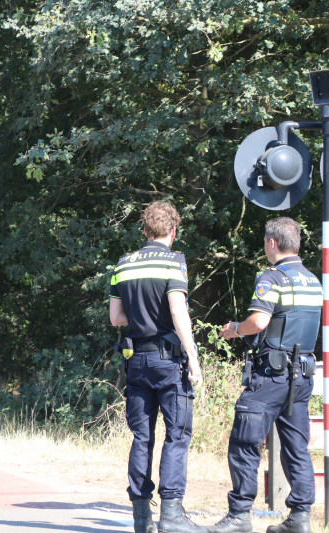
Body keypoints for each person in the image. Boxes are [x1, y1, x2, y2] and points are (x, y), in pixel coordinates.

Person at [209, 217, 322, 533]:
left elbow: (258, 322)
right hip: (301, 377)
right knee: (296, 446)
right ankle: (299, 518)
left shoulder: (272, 279)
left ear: (272, 243)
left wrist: (234, 329)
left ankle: (239, 516)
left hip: (271, 377)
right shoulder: (313, 281)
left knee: (244, 441)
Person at [110, 201, 204, 533]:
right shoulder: (174, 262)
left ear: (145, 230)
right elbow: (178, 311)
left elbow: (115, 318)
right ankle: (172, 516)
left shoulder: (123, 264)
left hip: (136, 361)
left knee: (141, 437)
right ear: (173, 231)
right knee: (176, 435)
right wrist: (192, 355)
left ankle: (141, 517)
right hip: (169, 361)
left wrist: (140, 317)